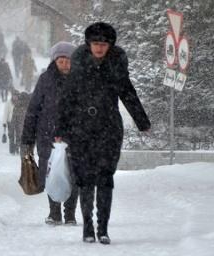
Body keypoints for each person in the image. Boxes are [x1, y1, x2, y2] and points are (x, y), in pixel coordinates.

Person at [54, 22, 151, 245]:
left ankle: (103, 228)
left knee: (106, 179)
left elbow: (128, 93)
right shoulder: (78, 63)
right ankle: (88, 226)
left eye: (103, 44)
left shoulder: (116, 64)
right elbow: (67, 98)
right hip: (81, 128)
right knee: (85, 180)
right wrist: (60, 129)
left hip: (108, 127)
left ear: (110, 45)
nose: (99, 48)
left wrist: (142, 121)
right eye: (95, 44)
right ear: (89, 44)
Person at [21, 41, 78, 226]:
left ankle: (69, 213)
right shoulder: (45, 80)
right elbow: (33, 109)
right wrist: (27, 140)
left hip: (74, 137)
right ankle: (54, 213)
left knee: (73, 174)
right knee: (51, 174)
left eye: (67, 60)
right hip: (47, 136)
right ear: (55, 61)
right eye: (61, 60)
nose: (64, 64)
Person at [7, 89, 31, 154]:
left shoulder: (17, 106)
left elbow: (13, 118)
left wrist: (11, 129)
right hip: (26, 127)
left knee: (19, 137)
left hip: (19, 126)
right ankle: (22, 149)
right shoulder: (29, 107)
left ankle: (18, 148)